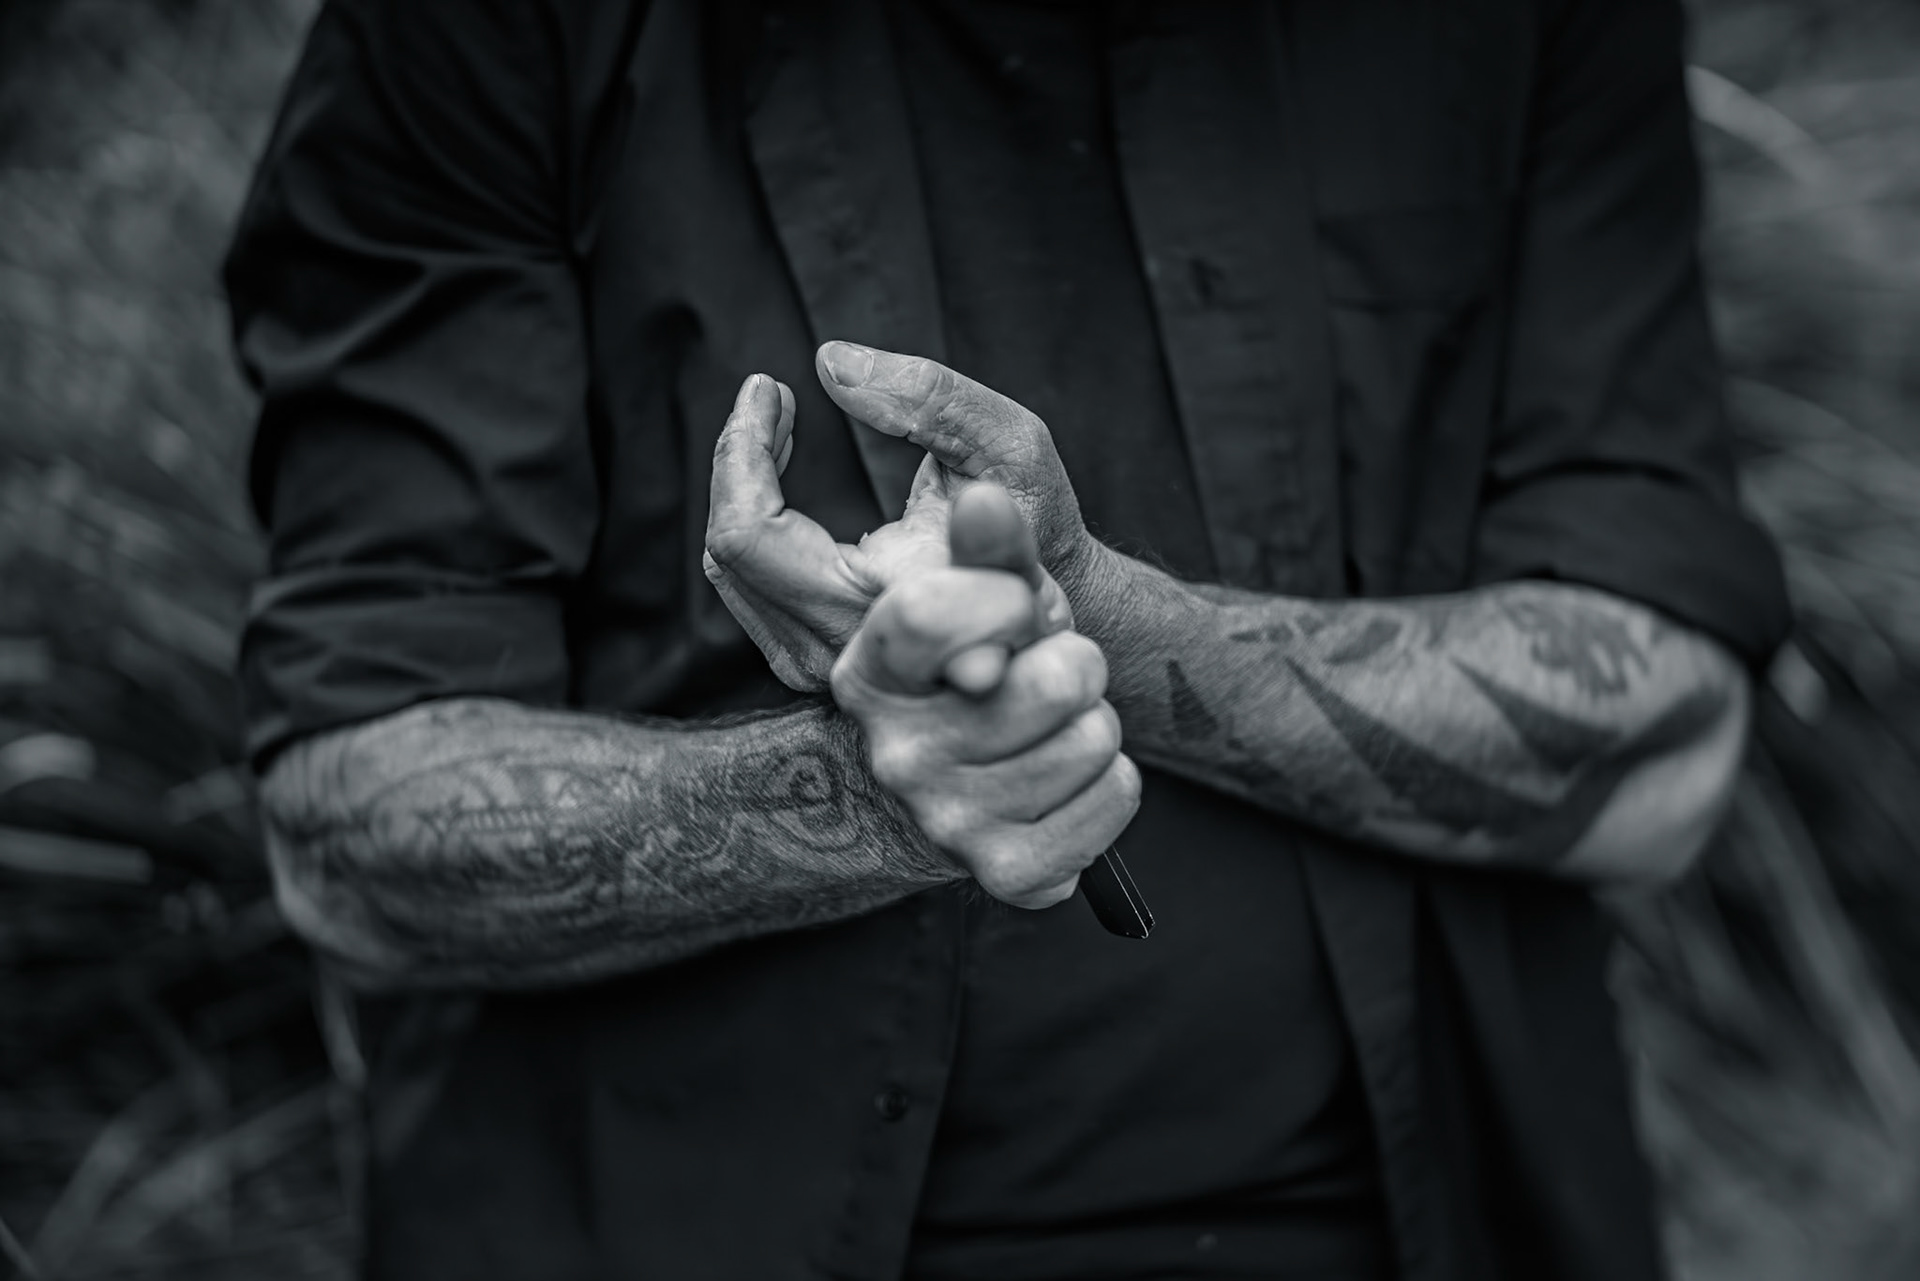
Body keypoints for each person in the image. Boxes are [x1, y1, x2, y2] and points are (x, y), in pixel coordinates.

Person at [224, 1, 1791, 1278]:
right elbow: (346, 830)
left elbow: (1665, 750)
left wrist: (1102, 621)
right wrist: (866, 797)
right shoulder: (491, 33)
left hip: (1418, 1222)